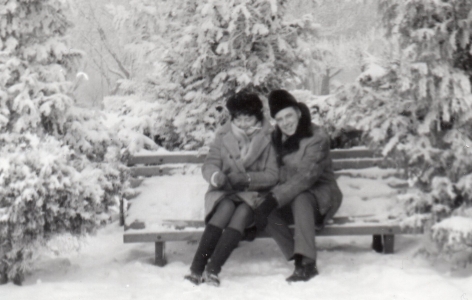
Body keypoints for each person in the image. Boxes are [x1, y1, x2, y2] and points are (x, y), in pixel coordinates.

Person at [184, 92, 278, 287]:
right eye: (239, 119)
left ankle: (212, 270)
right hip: (224, 190)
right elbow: (210, 164)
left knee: (242, 212)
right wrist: (216, 176)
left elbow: (272, 175)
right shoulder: (223, 135)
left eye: (248, 118)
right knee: (225, 208)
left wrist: (247, 179)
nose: (243, 124)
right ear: (232, 118)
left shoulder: (269, 138)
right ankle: (196, 268)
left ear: (257, 117)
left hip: (253, 193)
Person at [253, 89, 343, 282]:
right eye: (280, 119)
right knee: (263, 207)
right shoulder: (275, 138)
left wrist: (274, 198)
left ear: (299, 112)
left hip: (320, 195)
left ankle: (307, 264)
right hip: (289, 195)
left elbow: (306, 177)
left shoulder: (317, 137)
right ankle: (296, 254)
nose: (286, 122)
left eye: (289, 115)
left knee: (300, 197)